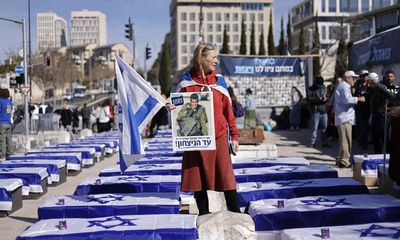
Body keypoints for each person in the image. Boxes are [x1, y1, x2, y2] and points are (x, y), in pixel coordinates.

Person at [173, 42, 240, 215]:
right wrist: (172, 108)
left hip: (218, 138)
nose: (216, 61)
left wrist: (234, 135)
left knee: (226, 177)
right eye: (213, 57)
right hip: (196, 139)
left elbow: (228, 112)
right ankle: (204, 216)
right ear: (201, 59)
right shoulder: (185, 84)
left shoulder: (220, 82)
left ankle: (236, 214)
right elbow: (179, 113)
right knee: (198, 179)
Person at [333, 71, 365, 168]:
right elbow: (347, 100)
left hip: (343, 117)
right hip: (344, 118)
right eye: (353, 78)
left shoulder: (342, 86)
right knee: (346, 141)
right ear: (347, 78)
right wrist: (359, 99)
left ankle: (340, 160)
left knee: (343, 141)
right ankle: (345, 161)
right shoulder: (345, 86)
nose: (355, 80)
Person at [368, 72, 396, 154]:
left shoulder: (381, 87)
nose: (368, 83)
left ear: (372, 81)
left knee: (383, 137)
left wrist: (384, 106)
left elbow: (392, 97)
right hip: (375, 115)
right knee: (374, 137)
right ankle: (377, 153)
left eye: (369, 81)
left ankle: (388, 155)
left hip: (382, 116)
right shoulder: (372, 88)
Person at [308, 76, 330, 148]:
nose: (320, 86)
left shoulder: (325, 88)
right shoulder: (311, 89)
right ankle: (312, 142)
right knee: (314, 128)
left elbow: (328, 97)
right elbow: (309, 99)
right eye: (318, 85)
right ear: (316, 83)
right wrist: (319, 99)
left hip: (324, 110)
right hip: (315, 110)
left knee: (324, 127)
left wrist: (326, 99)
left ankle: (324, 142)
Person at [355, 70, 370, 149]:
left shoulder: (370, 84)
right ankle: (361, 141)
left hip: (367, 108)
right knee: (361, 126)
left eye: (366, 75)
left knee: (366, 126)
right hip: (359, 108)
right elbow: (354, 94)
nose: (365, 77)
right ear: (361, 76)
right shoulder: (357, 84)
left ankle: (365, 142)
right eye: (363, 75)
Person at [0, 88, 13, 159]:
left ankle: (2, 155)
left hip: (1, 122)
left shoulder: (0, 101)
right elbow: (10, 111)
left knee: (2, 140)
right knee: (9, 139)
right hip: (8, 122)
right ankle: (10, 153)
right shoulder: (9, 102)